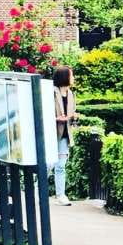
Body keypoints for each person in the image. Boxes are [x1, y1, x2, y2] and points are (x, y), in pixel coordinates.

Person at [52, 66, 78, 206]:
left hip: (65, 134)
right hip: (52, 134)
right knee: (48, 165)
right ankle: (38, 191)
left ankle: (61, 195)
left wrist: (73, 117)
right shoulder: (51, 93)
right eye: (71, 75)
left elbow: (72, 113)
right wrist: (56, 118)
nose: (73, 78)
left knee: (61, 165)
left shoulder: (71, 94)